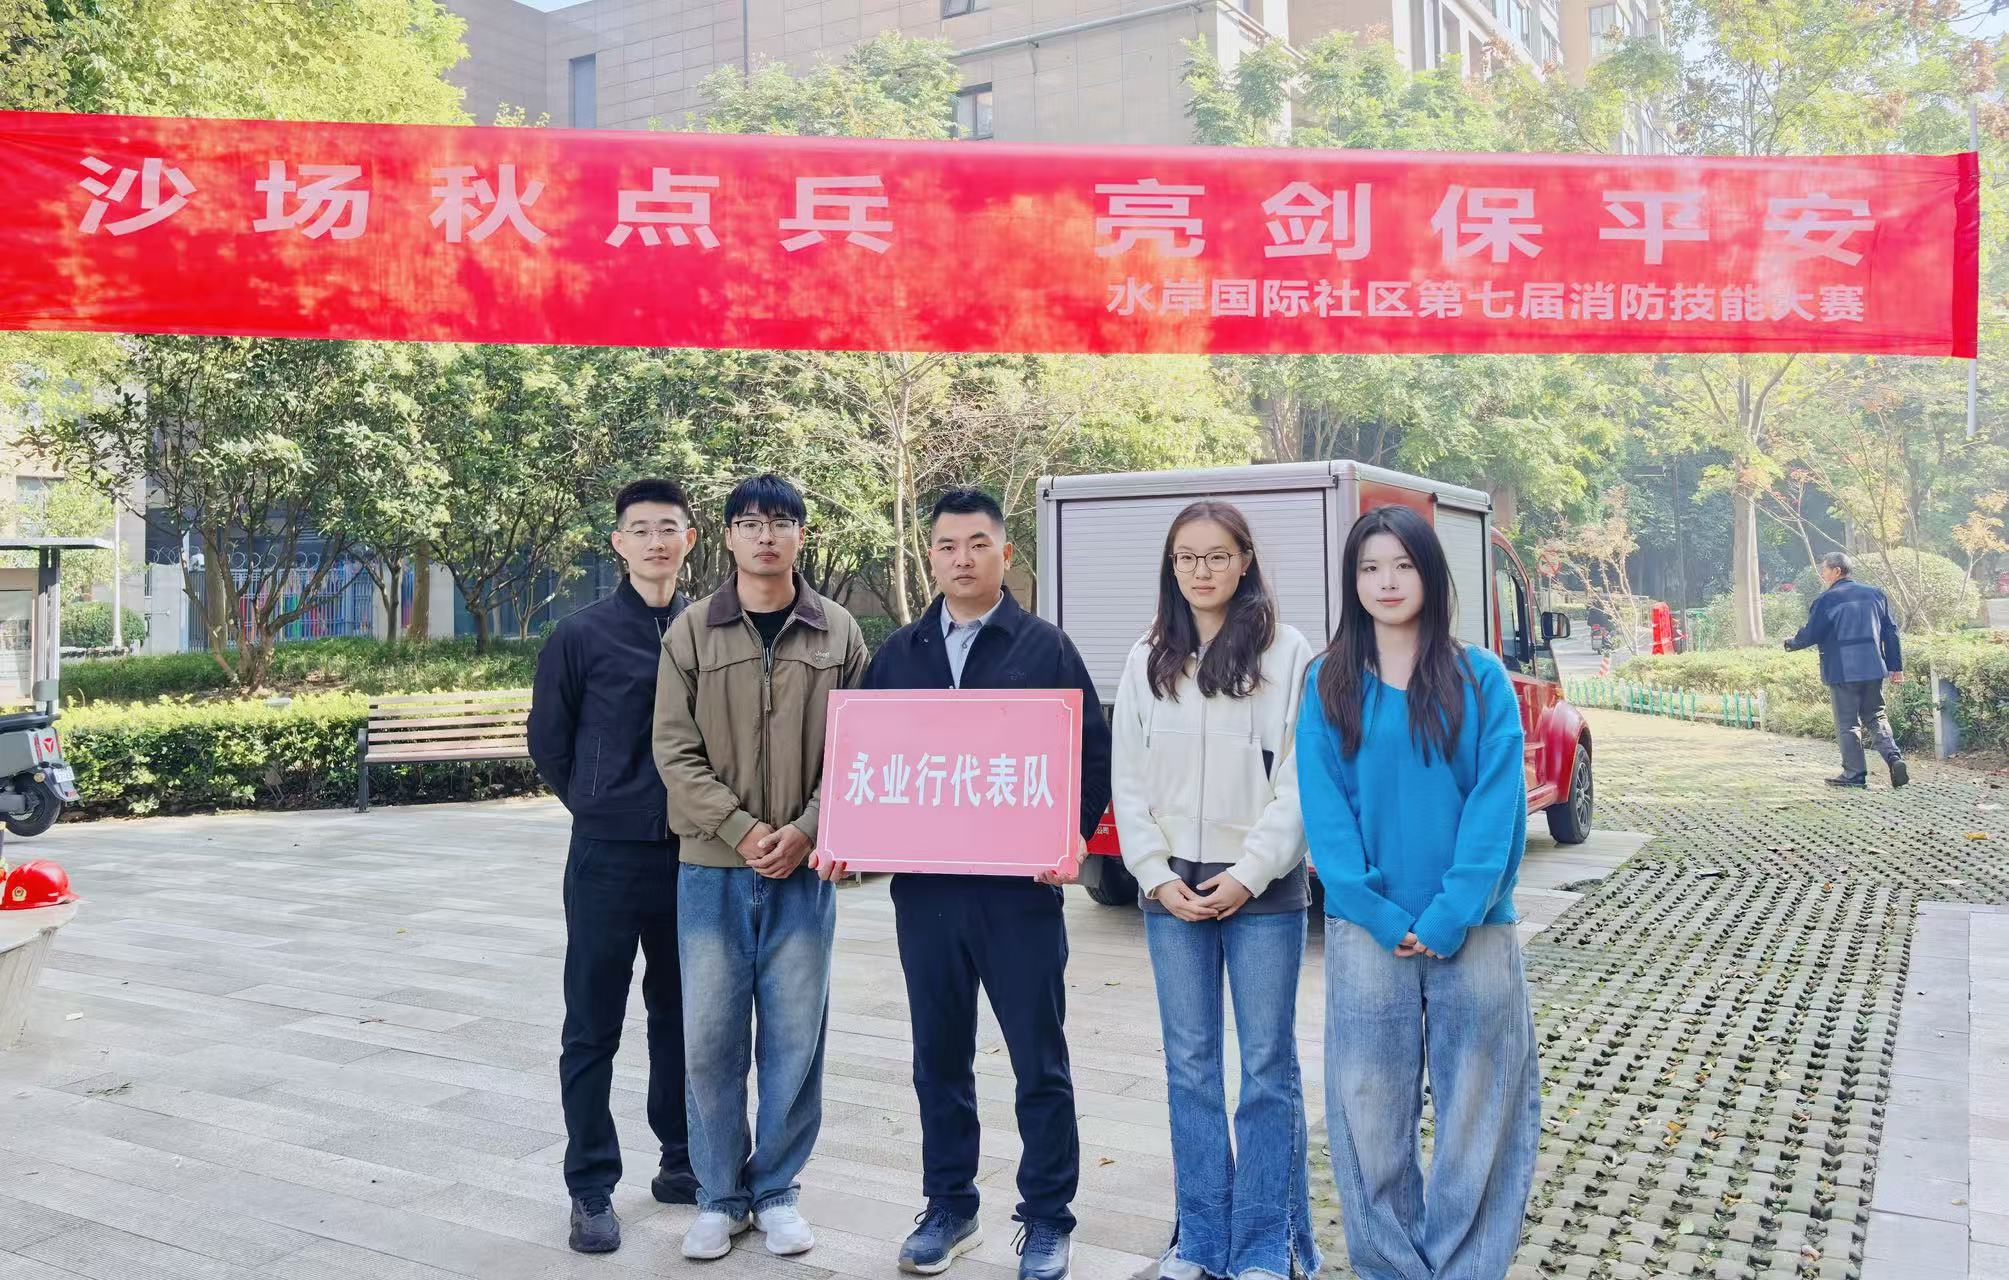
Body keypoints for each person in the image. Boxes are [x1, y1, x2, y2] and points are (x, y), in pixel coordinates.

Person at [823, 488, 1111, 1280]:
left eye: (977, 544)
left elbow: (1091, 755)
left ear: (1004, 554)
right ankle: (948, 1205)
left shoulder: (1045, 649)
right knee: (938, 1057)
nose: (962, 558)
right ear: (931, 556)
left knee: (1037, 1062)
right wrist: (846, 838)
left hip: (1018, 896)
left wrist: (1070, 837)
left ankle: (1047, 1218)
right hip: (926, 896)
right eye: (947, 545)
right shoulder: (900, 654)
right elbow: (863, 762)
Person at [1295, 504, 1540, 1280]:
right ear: (1351, 581)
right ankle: (1391, 1269)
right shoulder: (1326, 681)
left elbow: (1496, 803)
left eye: (1402, 565)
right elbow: (1323, 808)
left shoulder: (1480, 677)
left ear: (1429, 573)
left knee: (1480, 1110)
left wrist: (1450, 913)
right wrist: (1374, 909)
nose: (1386, 581)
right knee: (1367, 1113)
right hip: (1367, 932)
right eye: (1369, 568)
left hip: (1474, 928)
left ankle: (1464, 1268)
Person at [653, 473, 870, 1261]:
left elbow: (860, 750)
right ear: (729, 537)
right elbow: (673, 750)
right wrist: (743, 831)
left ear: (801, 535)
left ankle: (776, 1190)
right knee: (709, 1039)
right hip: (710, 870)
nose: (766, 535)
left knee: (794, 1040)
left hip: (803, 876)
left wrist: (807, 831)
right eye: (750, 523)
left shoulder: (838, 632)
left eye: (780, 522)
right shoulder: (692, 632)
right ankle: (718, 1195)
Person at [1109, 500, 1321, 1280]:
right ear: (1171, 567)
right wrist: (1155, 875)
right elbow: (1127, 778)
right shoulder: (1146, 656)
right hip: (1171, 893)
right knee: (1190, 1066)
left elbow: (1299, 778)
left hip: (1261, 891)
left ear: (1244, 561)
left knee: (1266, 1068)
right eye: (1186, 558)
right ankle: (1198, 1238)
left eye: (1216, 556)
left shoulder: (1286, 652)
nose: (1201, 571)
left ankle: (1266, 1243)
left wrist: (1247, 873)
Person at [528, 477, 700, 1255]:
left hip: (692, 854)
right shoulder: (581, 634)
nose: (655, 541)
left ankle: (681, 1159)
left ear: (689, 540)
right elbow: (549, 740)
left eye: (668, 528)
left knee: (680, 1015)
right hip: (605, 858)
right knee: (593, 1024)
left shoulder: (709, 631)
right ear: (618, 543)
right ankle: (590, 1186)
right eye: (641, 529)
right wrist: (600, 805)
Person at [1783, 551, 1908, 789]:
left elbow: (1812, 632)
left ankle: (1854, 774)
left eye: (1825, 570)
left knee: (1848, 722)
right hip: (1873, 668)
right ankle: (1894, 758)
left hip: (1842, 670)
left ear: (1837, 571)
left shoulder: (1827, 599)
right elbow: (1891, 632)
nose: (1822, 575)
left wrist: (1791, 643)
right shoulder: (1875, 594)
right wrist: (1895, 667)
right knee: (1876, 716)